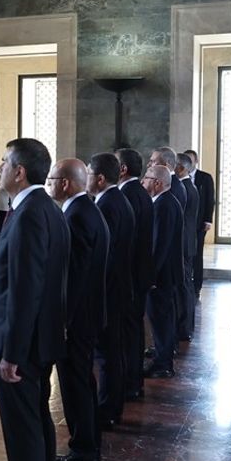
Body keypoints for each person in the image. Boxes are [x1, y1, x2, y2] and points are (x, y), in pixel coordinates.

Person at [0, 138, 67, 461]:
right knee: (37, 422)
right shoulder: (44, 208)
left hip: (20, 345)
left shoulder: (31, 212)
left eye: (3, 163)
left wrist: (11, 353)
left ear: (19, 172)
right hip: (37, 339)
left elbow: (25, 289)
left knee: (23, 429)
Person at [49, 158, 108, 461]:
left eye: (52, 179)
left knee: (75, 385)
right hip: (86, 315)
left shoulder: (77, 216)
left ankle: (84, 452)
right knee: (79, 382)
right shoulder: (83, 209)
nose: (49, 184)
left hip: (78, 318)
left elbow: (74, 277)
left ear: (66, 183)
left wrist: (64, 321)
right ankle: (86, 447)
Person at [88, 153, 135, 427]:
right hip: (118, 287)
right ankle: (111, 404)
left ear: (101, 178)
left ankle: (108, 408)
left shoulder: (107, 205)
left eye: (90, 174)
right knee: (112, 351)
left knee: (107, 353)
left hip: (110, 289)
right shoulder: (116, 199)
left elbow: (105, 254)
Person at [116, 148, 153, 400]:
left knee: (128, 331)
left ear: (123, 169)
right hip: (137, 274)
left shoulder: (127, 194)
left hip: (129, 276)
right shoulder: (139, 191)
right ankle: (133, 379)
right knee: (133, 329)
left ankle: (130, 381)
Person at [142, 165, 183, 379]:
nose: (143, 182)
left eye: (147, 178)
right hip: (165, 274)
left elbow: (159, 245)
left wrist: (150, 275)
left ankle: (163, 363)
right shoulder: (164, 202)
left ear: (157, 183)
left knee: (161, 319)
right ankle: (161, 357)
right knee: (161, 318)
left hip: (162, 275)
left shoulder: (164, 205)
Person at [174, 153, 199, 341]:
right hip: (186, 243)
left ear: (181, 168)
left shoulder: (184, 188)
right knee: (184, 287)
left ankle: (184, 328)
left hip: (183, 244)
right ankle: (184, 327)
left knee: (184, 288)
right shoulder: (187, 186)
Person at [184, 150, 215, 298]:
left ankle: (197, 285)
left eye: (191, 160)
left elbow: (210, 200)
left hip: (199, 223)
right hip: (185, 224)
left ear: (196, 161)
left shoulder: (205, 177)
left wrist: (208, 220)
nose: (188, 163)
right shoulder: (179, 178)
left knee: (198, 254)